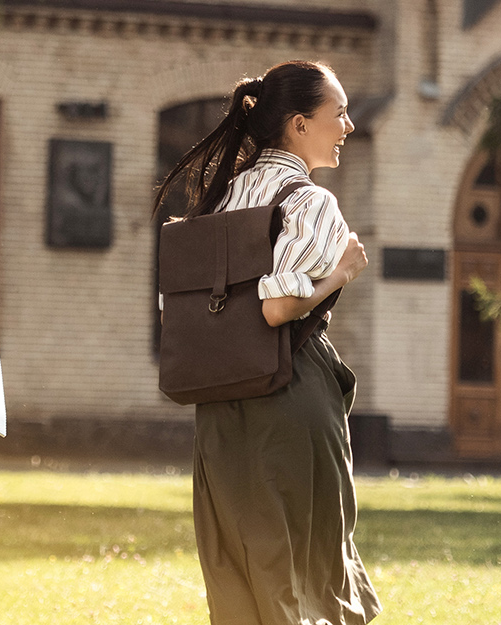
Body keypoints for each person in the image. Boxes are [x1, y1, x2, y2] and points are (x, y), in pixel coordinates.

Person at [149, 60, 379, 625]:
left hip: (220, 405)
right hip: (289, 389)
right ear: (300, 125)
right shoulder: (310, 202)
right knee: (308, 567)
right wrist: (341, 273)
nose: (348, 126)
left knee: (238, 568)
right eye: (339, 114)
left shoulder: (219, 199)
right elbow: (277, 307)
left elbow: (174, 307)